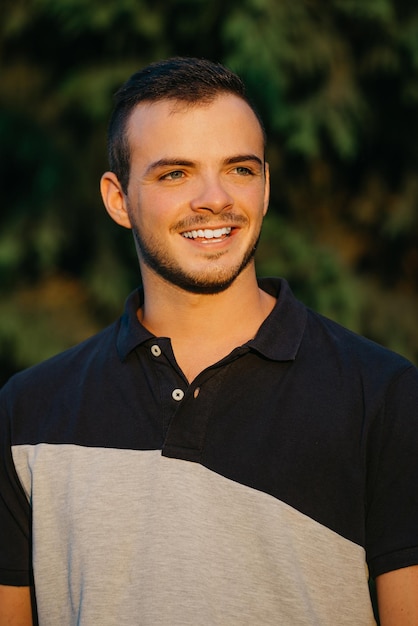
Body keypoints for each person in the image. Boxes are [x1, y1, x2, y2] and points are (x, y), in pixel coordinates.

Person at [1, 57, 418, 626]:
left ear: (266, 186)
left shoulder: (386, 394)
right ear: (118, 199)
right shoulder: (25, 413)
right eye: (175, 173)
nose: (214, 199)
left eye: (240, 169)